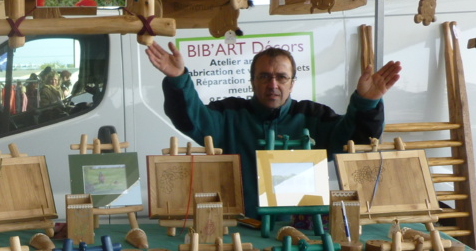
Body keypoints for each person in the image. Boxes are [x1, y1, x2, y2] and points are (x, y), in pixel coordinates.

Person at [145, 42, 402, 219]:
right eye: (264, 76)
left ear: (292, 83)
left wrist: (366, 102)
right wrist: (179, 78)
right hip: (242, 228)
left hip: (302, 229)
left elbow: (355, 141)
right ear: (252, 81)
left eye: (281, 77)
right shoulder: (229, 115)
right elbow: (191, 119)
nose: (273, 84)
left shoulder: (313, 116)